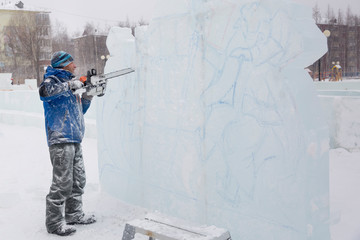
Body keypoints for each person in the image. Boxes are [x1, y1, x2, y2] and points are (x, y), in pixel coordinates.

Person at [39, 51, 96, 236]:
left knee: (78, 180)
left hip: (75, 137)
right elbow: (44, 93)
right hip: (60, 138)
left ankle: (74, 214)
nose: (75, 66)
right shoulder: (52, 80)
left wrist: (88, 94)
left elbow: (80, 111)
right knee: (62, 183)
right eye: (72, 63)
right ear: (63, 64)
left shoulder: (72, 85)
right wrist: (70, 84)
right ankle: (54, 224)